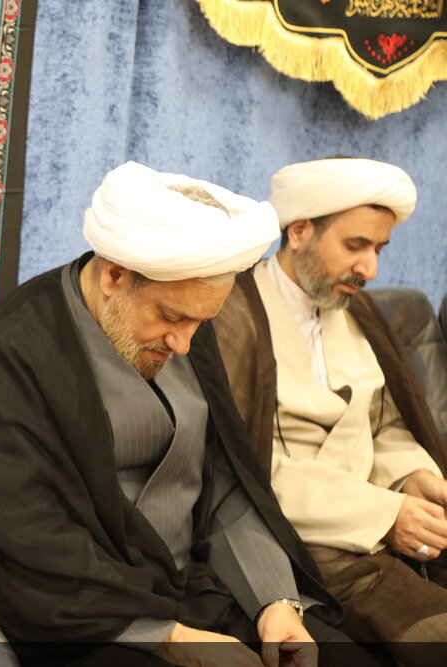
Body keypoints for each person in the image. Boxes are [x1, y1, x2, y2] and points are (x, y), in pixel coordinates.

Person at [0, 161, 377, 666]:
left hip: (189, 590)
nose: (185, 344)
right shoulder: (4, 354)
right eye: (172, 317)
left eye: (202, 322)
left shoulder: (185, 329)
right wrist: (171, 639)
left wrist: (275, 604)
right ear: (115, 275)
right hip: (83, 622)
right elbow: (17, 540)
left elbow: (226, 484)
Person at [213, 157, 447, 663]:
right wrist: (384, 514)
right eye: (355, 246)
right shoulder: (233, 314)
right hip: (306, 543)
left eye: (378, 249)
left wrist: (414, 479)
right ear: (299, 231)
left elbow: (383, 426)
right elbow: (241, 472)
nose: (370, 270)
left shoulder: (358, 311)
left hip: (383, 519)